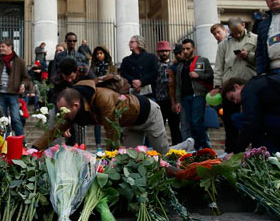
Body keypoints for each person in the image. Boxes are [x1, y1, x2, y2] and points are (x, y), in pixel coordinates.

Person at [35, 81, 169, 153]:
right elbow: (55, 129)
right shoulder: (75, 108)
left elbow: (112, 131)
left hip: (149, 114)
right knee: (131, 158)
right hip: (131, 123)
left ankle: (187, 145)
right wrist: (34, 148)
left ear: (75, 105)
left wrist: (109, 160)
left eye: (64, 110)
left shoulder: (103, 98)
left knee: (163, 153)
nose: (62, 114)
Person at [211, 17, 258, 152]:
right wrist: (217, 86)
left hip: (250, 83)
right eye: (233, 33)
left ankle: (256, 148)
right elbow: (219, 66)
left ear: (244, 25)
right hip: (229, 87)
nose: (236, 35)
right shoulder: (224, 44)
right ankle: (231, 150)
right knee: (229, 121)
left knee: (253, 118)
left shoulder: (255, 39)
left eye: (238, 32)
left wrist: (248, 55)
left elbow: (261, 58)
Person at [174, 38, 213, 150]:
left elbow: (211, 77)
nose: (185, 51)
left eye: (188, 48)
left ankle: (205, 147)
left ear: (193, 49)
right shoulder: (180, 66)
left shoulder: (202, 61)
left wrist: (198, 76)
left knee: (197, 122)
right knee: (190, 124)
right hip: (185, 98)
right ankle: (196, 148)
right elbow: (178, 85)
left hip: (198, 95)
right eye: (183, 49)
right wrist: (178, 101)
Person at [0, 39, 30, 136]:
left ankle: (21, 142)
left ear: (10, 47)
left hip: (13, 94)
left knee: (16, 118)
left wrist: (23, 85)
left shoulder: (19, 61)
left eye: (3, 46)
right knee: (3, 120)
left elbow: (26, 78)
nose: (0, 48)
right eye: (0, 46)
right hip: (0, 94)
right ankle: (5, 142)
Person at [153, 40, 181, 145]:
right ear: (158, 52)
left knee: (175, 127)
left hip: (172, 100)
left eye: (166, 51)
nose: (164, 53)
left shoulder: (174, 65)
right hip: (159, 100)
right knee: (159, 127)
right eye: (161, 51)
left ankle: (177, 147)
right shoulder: (155, 66)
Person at [89, 45, 115, 145]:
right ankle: (98, 144)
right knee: (97, 121)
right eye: (97, 54)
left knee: (111, 120)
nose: (99, 56)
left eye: (101, 53)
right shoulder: (93, 67)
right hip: (97, 95)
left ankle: (112, 143)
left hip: (109, 95)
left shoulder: (111, 67)